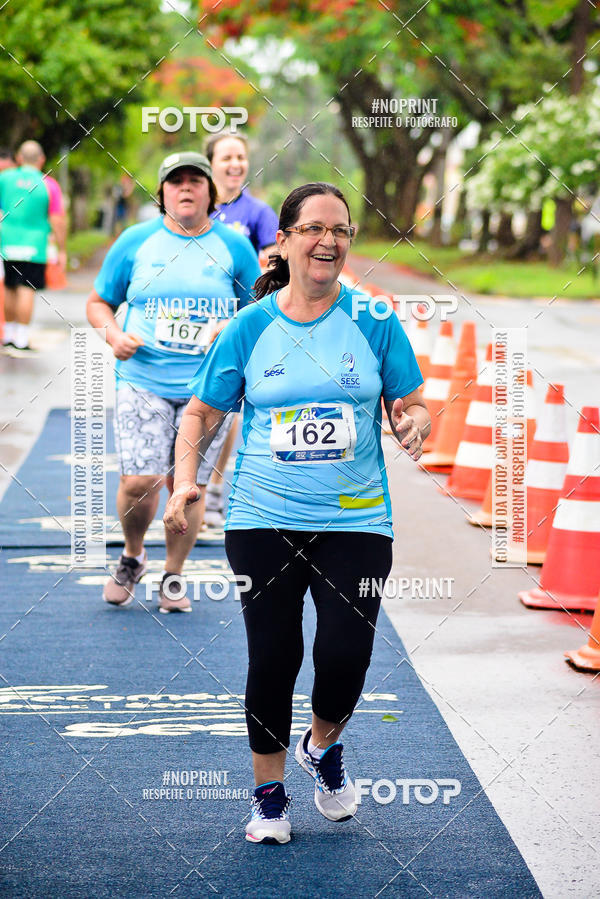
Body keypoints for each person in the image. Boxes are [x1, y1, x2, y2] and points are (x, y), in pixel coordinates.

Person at [163, 182, 430, 841]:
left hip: (356, 518)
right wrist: (184, 482)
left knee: (346, 655)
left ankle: (322, 744)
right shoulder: (250, 327)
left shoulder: (374, 319)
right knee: (274, 655)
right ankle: (269, 797)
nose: (328, 240)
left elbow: (414, 400)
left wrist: (415, 421)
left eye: (340, 230)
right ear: (282, 242)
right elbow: (200, 412)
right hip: (262, 517)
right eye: (313, 228)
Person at [86, 151, 260, 614]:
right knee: (139, 481)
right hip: (143, 378)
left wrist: (233, 327)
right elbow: (99, 302)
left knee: (189, 486)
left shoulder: (234, 247)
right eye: (175, 181)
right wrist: (114, 336)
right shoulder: (136, 241)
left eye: (195, 181)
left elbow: (260, 309)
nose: (186, 188)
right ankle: (132, 555)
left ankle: (174, 574)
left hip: (210, 389)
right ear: (162, 193)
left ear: (210, 192)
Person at [202, 131, 279, 528]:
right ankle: (185, 488)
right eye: (227, 157)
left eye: (241, 157)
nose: (235, 164)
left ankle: (214, 490)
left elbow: (275, 269)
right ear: (210, 164)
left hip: (236, 326)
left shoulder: (259, 213)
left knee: (225, 410)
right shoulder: (194, 208)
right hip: (189, 326)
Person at [0, 140, 66, 353]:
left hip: (6, 242)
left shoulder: (4, 179)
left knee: (9, 287)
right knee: (26, 289)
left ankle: (8, 335)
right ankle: (21, 339)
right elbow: (57, 219)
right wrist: (62, 249)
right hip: (34, 245)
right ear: (42, 160)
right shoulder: (49, 184)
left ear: (19, 158)